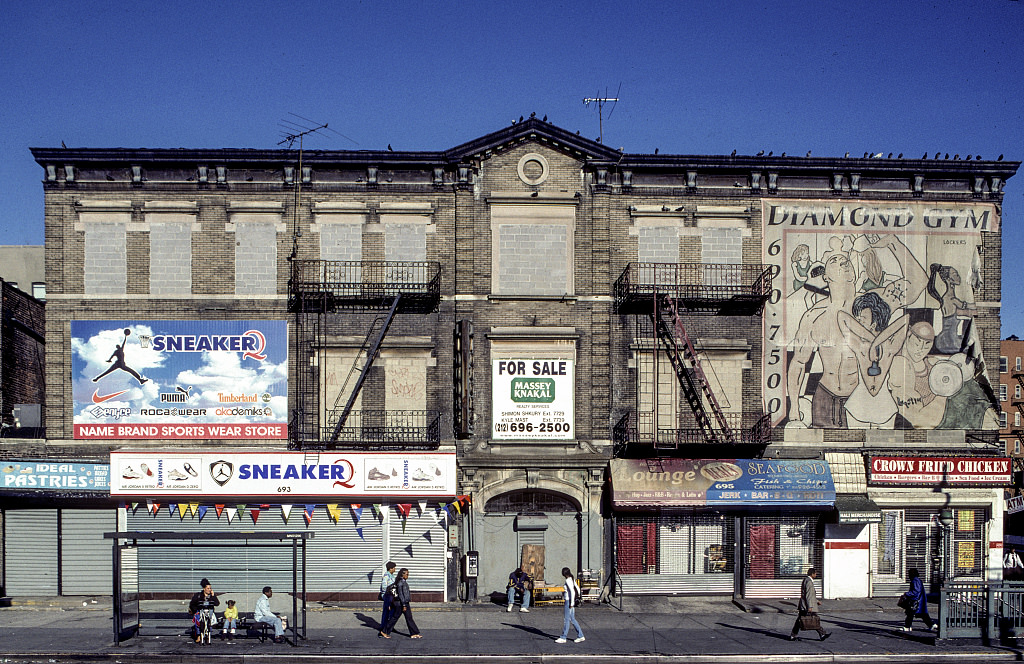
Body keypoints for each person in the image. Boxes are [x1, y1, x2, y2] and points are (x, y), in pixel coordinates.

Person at [788, 568, 831, 641]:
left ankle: (793, 635)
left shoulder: (806, 580)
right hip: (806, 606)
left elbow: (809, 594)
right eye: (815, 573)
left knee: (800, 620)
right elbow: (808, 595)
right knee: (813, 619)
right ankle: (822, 634)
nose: (816, 575)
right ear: (812, 574)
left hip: (804, 605)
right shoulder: (809, 582)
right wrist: (810, 606)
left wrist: (816, 601)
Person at [382, 568, 421, 639]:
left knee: (409, 618)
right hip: (401, 604)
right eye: (407, 574)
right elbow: (401, 595)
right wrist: (404, 605)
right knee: (395, 618)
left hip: (404, 603)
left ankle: (414, 633)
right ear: (403, 574)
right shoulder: (400, 583)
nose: (408, 575)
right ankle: (384, 631)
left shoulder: (403, 582)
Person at [554, 567, 585, 644]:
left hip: (568, 601)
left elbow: (572, 591)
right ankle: (580, 635)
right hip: (571, 600)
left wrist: (571, 603)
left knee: (566, 619)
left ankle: (563, 637)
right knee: (572, 619)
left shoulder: (568, 580)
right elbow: (577, 588)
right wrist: (578, 597)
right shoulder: (572, 578)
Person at [188, 578, 219, 643]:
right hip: (200, 611)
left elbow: (217, 603)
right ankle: (199, 635)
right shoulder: (198, 596)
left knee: (209, 621)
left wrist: (213, 596)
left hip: (209, 611)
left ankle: (208, 634)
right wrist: (195, 610)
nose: (209, 590)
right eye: (208, 588)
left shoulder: (211, 596)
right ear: (204, 588)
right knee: (198, 619)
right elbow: (192, 604)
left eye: (210, 588)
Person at [378, 561, 398, 638]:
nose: (395, 569)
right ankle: (383, 628)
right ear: (390, 568)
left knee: (391, 612)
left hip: (392, 596)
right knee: (386, 612)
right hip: (388, 596)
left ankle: (389, 627)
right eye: (394, 568)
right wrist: (387, 594)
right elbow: (383, 587)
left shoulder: (392, 576)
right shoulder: (386, 576)